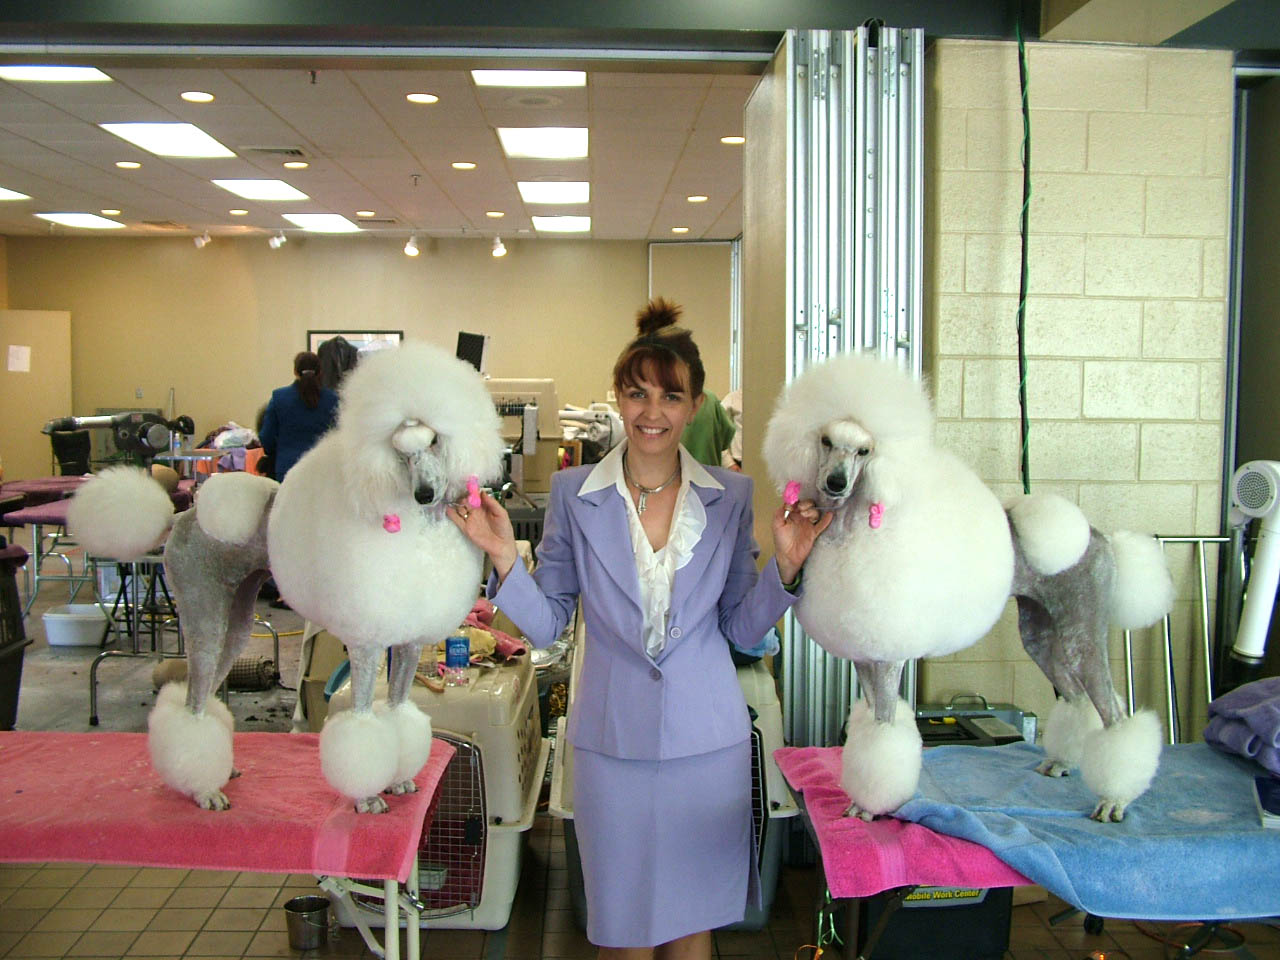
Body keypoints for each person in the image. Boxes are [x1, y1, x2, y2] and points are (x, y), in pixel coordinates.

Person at [450, 299, 831, 960]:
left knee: (691, 929)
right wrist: (506, 558)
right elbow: (548, 625)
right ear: (618, 399)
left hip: (706, 745)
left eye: (670, 396)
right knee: (621, 934)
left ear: (695, 405)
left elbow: (742, 630)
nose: (652, 411)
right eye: (637, 393)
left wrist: (788, 568)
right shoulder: (574, 493)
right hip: (612, 747)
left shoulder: (731, 498)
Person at [258, 351, 339, 482]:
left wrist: (276, 452)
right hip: (322, 467)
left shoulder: (279, 397)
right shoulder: (332, 399)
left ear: (295, 371)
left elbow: (266, 436)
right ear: (320, 372)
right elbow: (339, 434)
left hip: (287, 467)